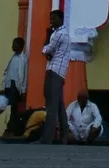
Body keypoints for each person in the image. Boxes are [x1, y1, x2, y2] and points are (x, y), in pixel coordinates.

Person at [40, 11, 71, 144]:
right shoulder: (65, 34)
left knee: (51, 107)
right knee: (59, 106)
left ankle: (46, 138)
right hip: (60, 72)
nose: (51, 21)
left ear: (60, 19)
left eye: (53, 19)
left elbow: (46, 50)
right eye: (50, 19)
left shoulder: (58, 34)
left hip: (53, 71)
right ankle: (64, 136)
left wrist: (46, 43)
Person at [1, 37, 28, 112]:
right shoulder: (13, 57)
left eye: (14, 44)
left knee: (14, 108)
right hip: (9, 84)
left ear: (20, 46)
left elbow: (24, 76)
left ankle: (12, 122)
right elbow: (7, 72)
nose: (12, 46)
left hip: (16, 87)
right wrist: (3, 86)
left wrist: (23, 91)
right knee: (2, 103)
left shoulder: (23, 59)